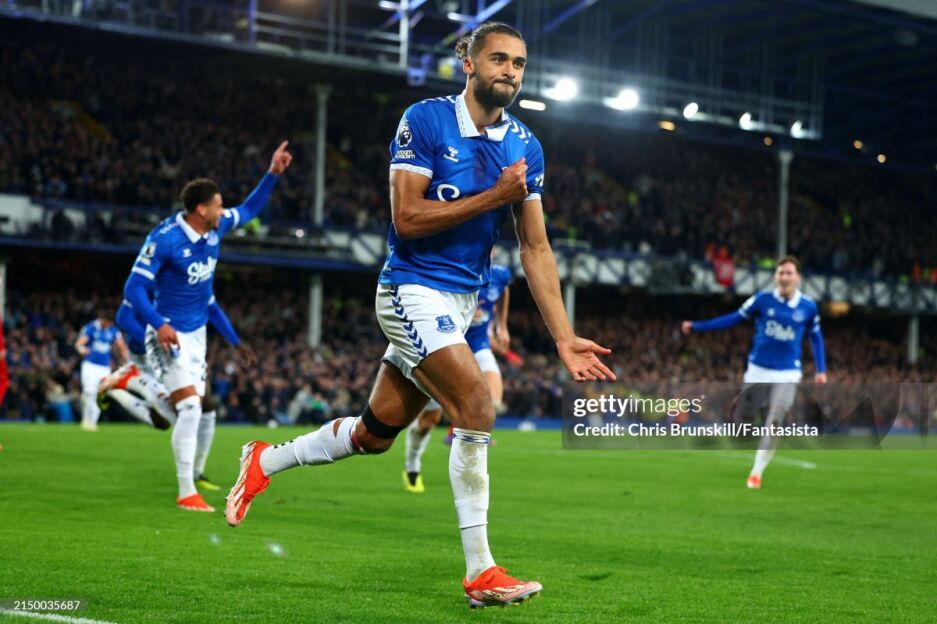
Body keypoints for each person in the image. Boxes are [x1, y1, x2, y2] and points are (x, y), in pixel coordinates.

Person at [225, 22, 615, 608]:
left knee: (374, 434)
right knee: (477, 404)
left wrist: (563, 337)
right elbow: (406, 219)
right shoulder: (426, 120)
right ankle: (481, 572)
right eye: (499, 59)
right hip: (409, 289)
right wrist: (495, 197)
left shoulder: (526, 147)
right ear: (470, 63)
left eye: (519, 64)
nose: (510, 72)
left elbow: (535, 248)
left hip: (460, 303)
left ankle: (264, 459)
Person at [123, 141, 292, 512]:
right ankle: (187, 491)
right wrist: (158, 324)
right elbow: (133, 288)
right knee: (189, 409)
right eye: (218, 205)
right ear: (201, 210)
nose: (223, 210)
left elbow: (248, 209)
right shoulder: (165, 239)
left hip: (197, 335)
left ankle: (134, 381)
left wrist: (272, 174)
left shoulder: (215, 228)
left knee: (186, 410)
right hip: (167, 333)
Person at [681, 255, 827, 488]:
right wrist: (698, 326)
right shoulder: (762, 300)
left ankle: (756, 472)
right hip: (758, 371)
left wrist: (821, 369)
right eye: (781, 272)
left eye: (789, 272)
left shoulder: (808, 307)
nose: (785, 276)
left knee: (775, 419)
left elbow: (816, 337)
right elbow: (733, 318)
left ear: (797, 277)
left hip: (788, 372)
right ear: (775, 276)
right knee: (744, 422)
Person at [99, 291, 257, 490]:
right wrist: (154, 337)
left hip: (181, 347)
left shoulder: (196, 276)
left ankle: (197, 472)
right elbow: (124, 317)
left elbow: (212, 308)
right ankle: (130, 380)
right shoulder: (152, 277)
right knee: (183, 412)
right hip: (151, 353)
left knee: (198, 409)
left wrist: (236, 343)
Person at [403, 260, 512, 493]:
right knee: (426, 424)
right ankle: (412, 464)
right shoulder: (451, 269)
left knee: (492, 401)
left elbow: (504, 291)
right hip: (447, 348)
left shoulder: (500, 274)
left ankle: (460, 438)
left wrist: (502, 325)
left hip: (479, 346)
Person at [74, 311, 127, 431]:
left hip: (104, 368)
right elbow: (79, 344)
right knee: (89, 392)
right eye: (106, 322)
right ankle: (86, 418)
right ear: (102, 320)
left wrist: (126, 361)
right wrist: (82, 349)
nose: (108, 325)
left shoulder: (114, 331)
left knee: (100, 394)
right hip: (90, 365)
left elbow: (121, 346)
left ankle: (92, 423)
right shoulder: (91, 328)